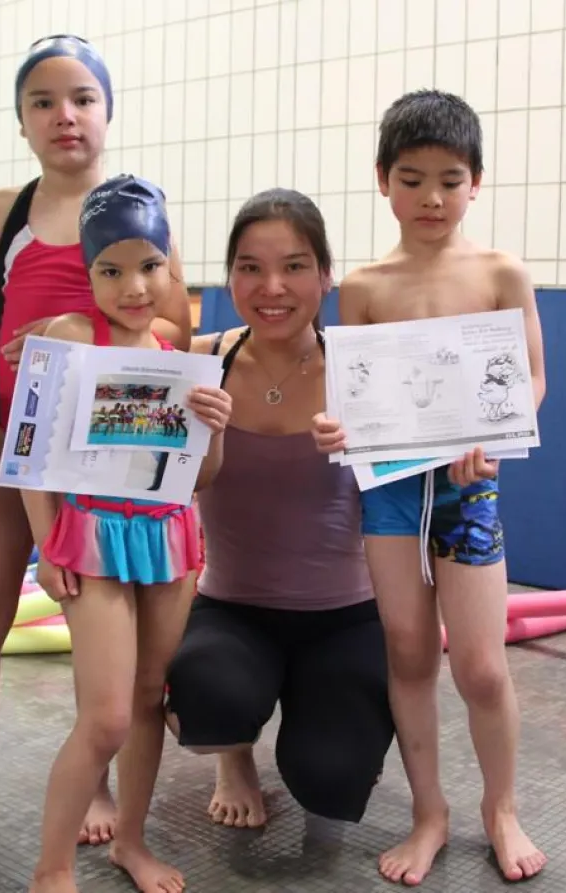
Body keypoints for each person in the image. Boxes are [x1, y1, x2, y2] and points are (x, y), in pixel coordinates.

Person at [0, 36, 192, 858]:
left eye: (83, 98)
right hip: (6, 447)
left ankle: (93, 774)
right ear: (21, 121)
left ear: (108, 110)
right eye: (44, 102)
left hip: (103, 468)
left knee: (103, 628)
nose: (66, 116)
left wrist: (74, 343)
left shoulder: (142, 212)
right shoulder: (0, 213)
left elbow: (175, 333)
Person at [311, 89, 548, 886]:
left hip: (468, 491)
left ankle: (501, 805)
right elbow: (356, 399)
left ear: (476, 181)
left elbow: (532, 380)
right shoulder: (368, 287)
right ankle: (429, 811)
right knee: (409, 653)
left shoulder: (500, 272)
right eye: (412, 179)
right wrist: (335, 429)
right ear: (382, 180)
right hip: (389, 495)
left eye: (450, 179)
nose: (432, 198)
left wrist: (495, 443)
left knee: (481, 665)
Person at [163, 188, 397, 832]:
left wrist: (376, 446)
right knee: (208, 701)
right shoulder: (198, 363)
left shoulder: (364, 371)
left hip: (346, 616)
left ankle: (315, 708)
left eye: (295, 266)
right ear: (230, 275)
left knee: (333, 779)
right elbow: (100, 375)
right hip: (233, 609)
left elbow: (429, 475)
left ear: (325, 276)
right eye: (250, 267)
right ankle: (233, 758)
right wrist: (47, 347)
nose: (272, 286)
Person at [24, 174, 232, 893]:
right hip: (93, 538)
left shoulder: (177, 351)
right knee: (106, 716)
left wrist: (217, 426)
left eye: (148, 265)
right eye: (110, 269)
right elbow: (27, 450)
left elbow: (202, 476)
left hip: (170, 535)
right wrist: (46, 545)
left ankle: (131, 843)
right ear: (88, 272)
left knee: (148, 699)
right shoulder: (70, 336)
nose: (133, 285)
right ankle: (51, 867)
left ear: (170, 264)